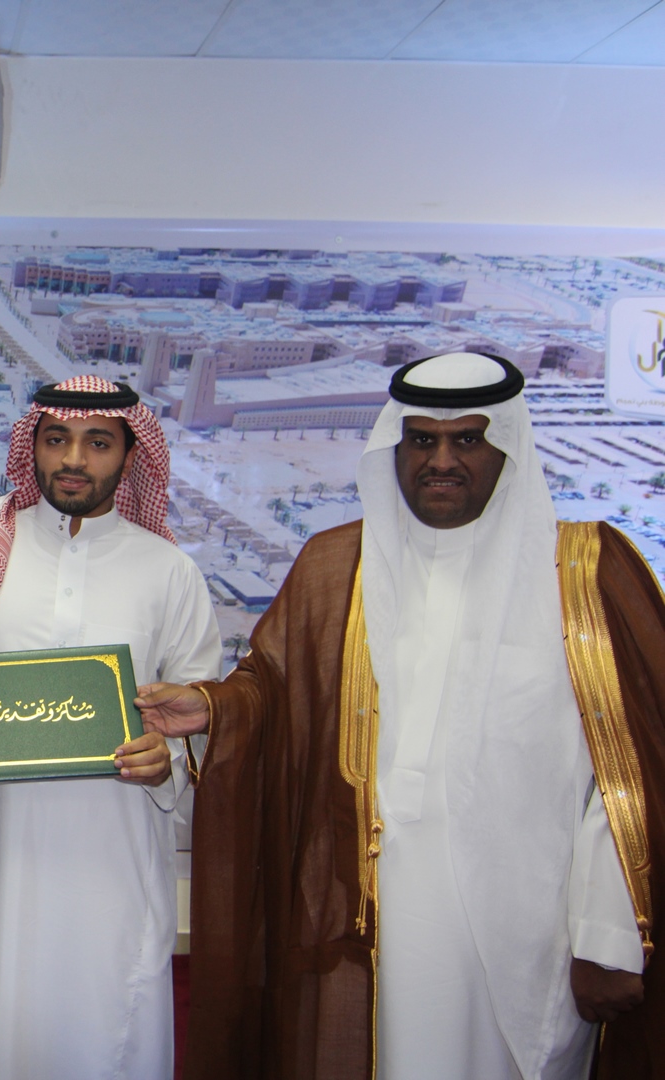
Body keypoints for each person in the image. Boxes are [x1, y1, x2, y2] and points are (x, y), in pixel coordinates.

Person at [138, 352, 665, 1079]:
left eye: (468, 439)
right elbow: (275, 691)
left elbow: (629, 765)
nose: (441, 461)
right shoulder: (338, 567)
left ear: (508, 447)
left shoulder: (584, 571)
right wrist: (211, 707)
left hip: (535, 926)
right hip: (380, 913)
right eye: (422, 440)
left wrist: (607, 933)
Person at [0, 375, 221, 1080]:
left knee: (103, 1017)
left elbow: (200, 702)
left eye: (97, 442)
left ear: (129, 456)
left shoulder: (168, 571)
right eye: (57, 439)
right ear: (34, 447)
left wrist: (167, 753)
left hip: (111, 846)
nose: (73, 459)